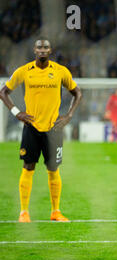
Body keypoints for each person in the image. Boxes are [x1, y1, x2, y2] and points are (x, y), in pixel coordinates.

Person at [0, 38, 82, 222]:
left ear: (50, 50)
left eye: (46, 47)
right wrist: (16, 112)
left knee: (53, 170)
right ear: (34, 50)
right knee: (28, 167)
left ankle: (55, 212)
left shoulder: (60, 71)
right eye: (39, 47)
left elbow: (78, 93)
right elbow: (3, 92)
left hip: (53, 129)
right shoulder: (24, 71)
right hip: (32, 127)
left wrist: (68, 116)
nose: (43, 50)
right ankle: (24, 213)